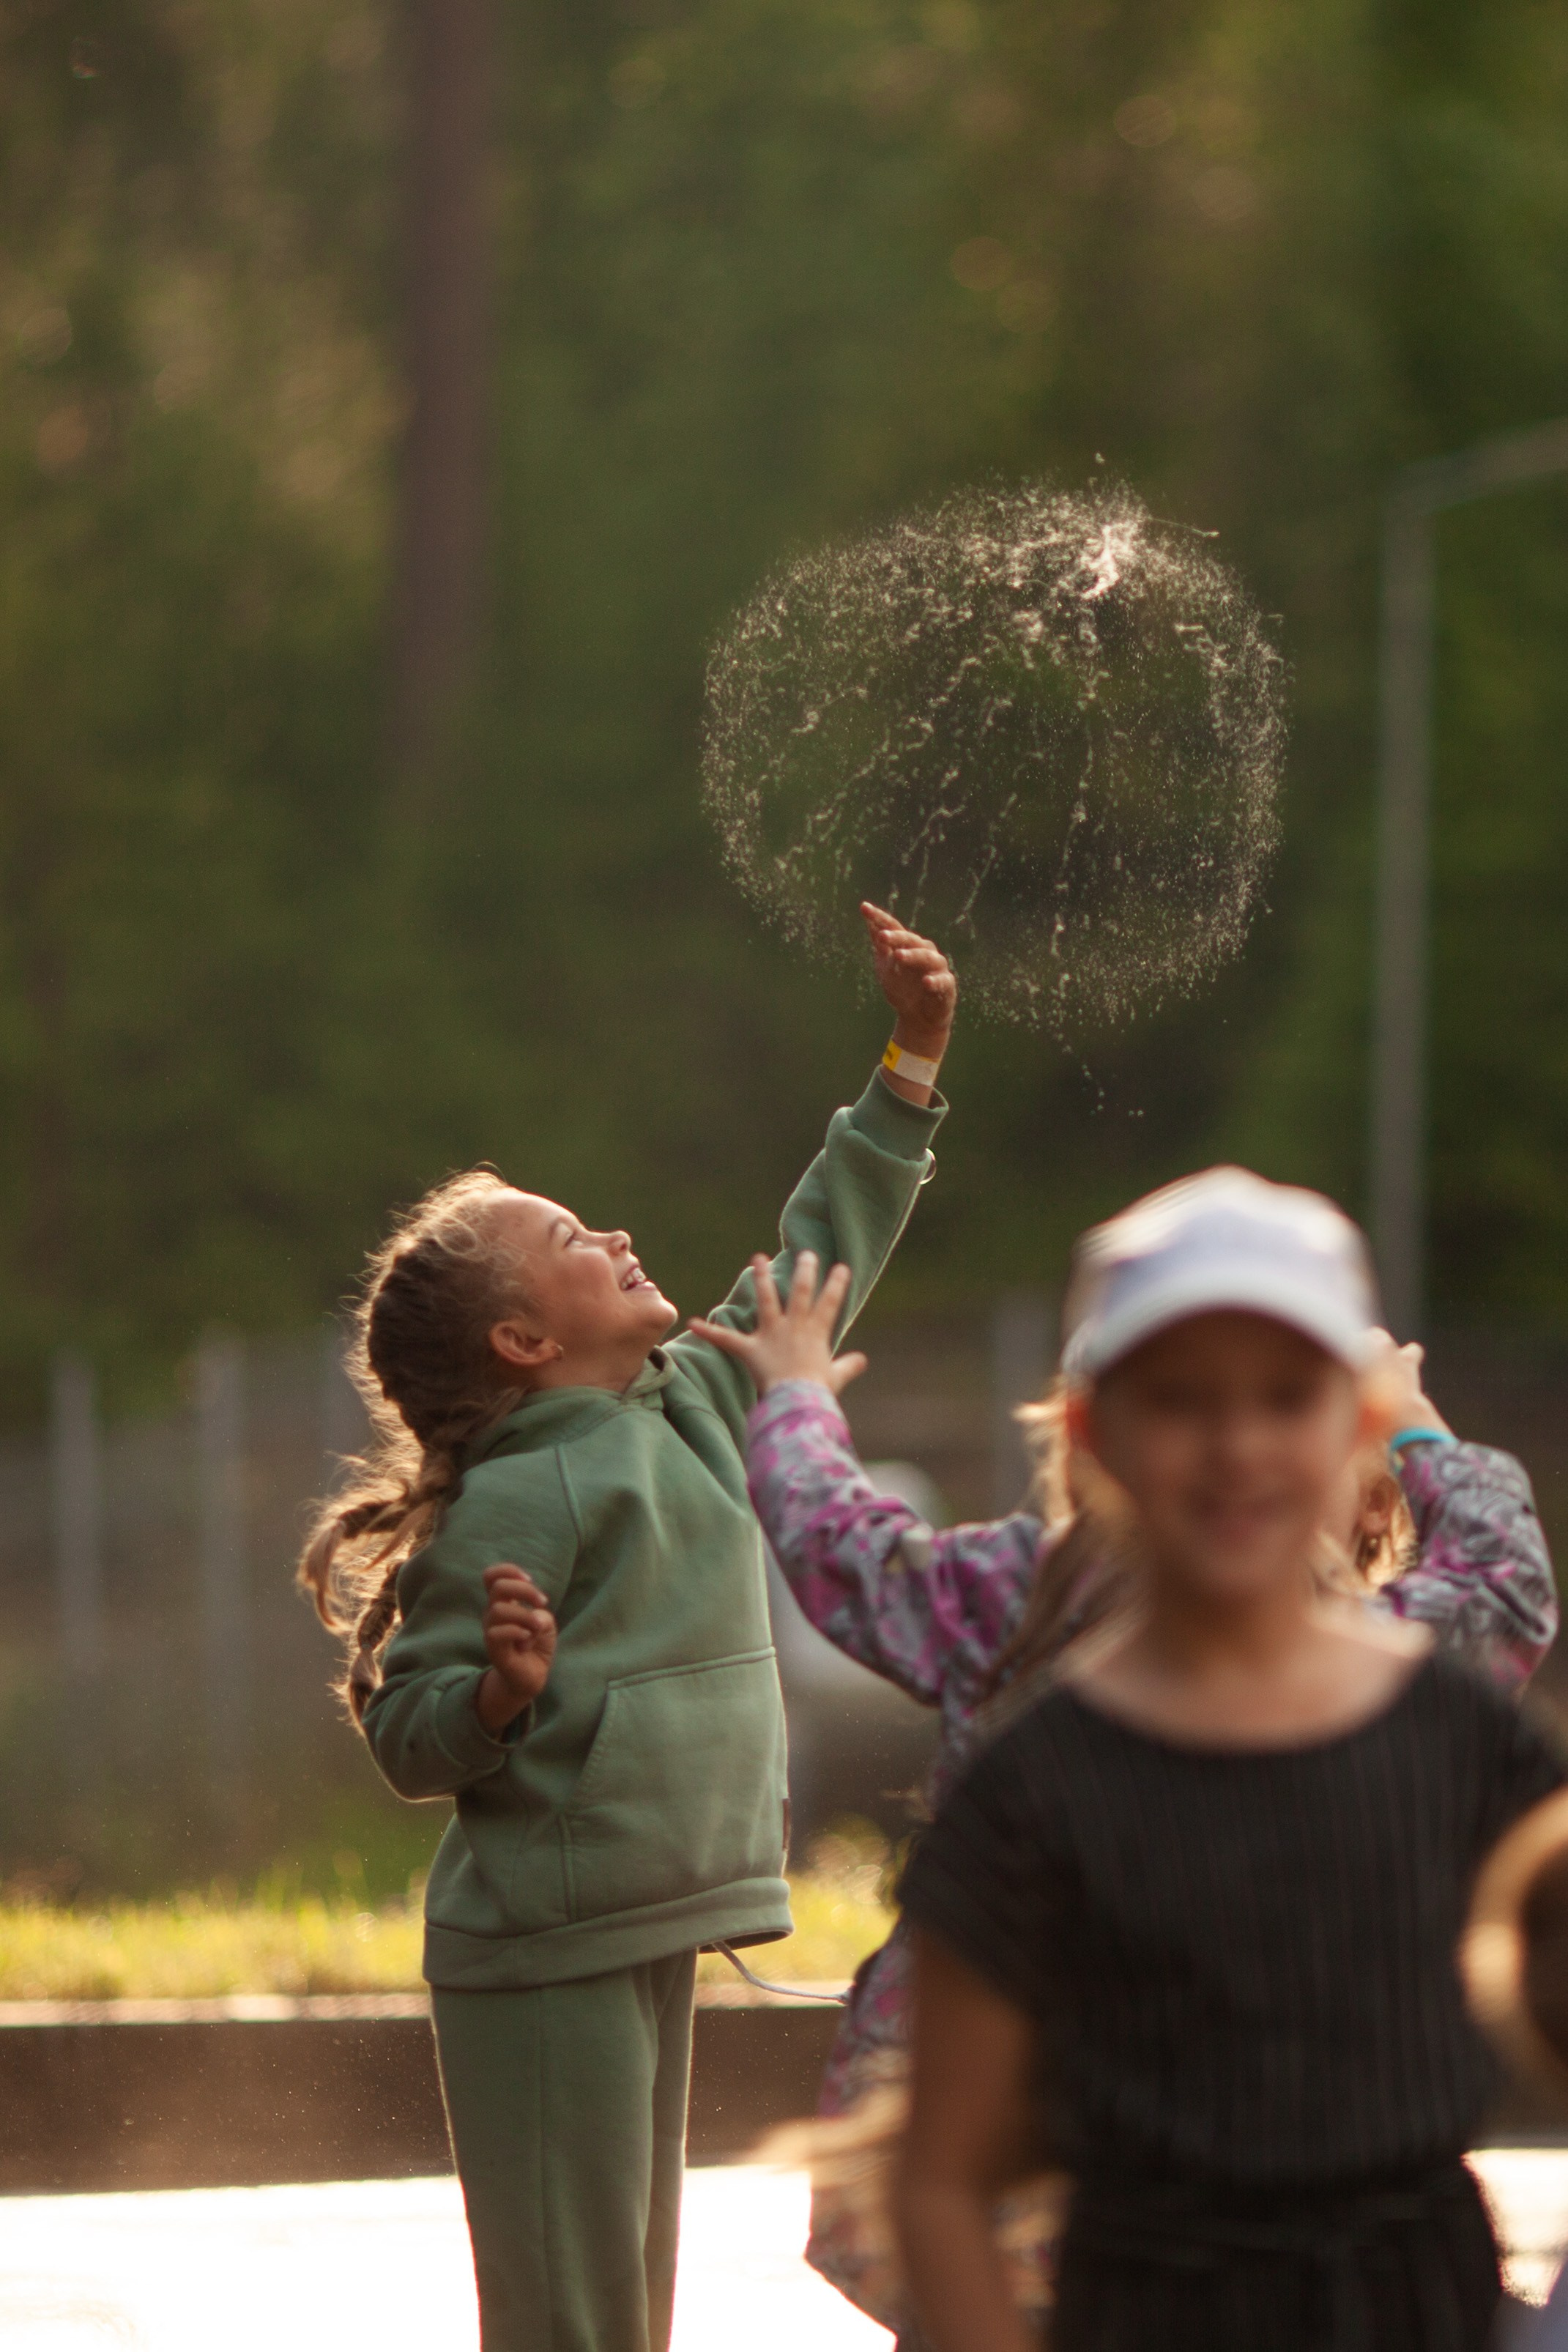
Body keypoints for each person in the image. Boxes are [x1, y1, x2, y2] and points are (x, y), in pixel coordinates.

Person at [295, 900, 956, 2352]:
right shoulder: (514, 1501)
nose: (617, 1230)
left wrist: (908, 1064)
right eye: (572, 1237)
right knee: (567, 2323)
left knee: (625, 2319)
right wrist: (493, 1698)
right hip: (540, 1951)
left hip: (638, 1926)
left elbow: (817, 1249)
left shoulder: (698, 1403)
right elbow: (412, 1732)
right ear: (526, 1343)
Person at [700, 1251, 1557, 2342]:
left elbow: (836, 1545)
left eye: (1283, 1403)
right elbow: (1505, 1586)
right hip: (1190, 2190)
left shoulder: (1004, 1597)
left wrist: (796, 1398)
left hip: (1024, 2178)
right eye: (1191, 1404)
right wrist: (1417, 1428)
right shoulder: (1392, 1664)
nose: (1236, 1450)